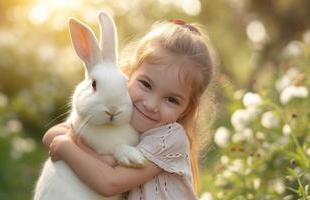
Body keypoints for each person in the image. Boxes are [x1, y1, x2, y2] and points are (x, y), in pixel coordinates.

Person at [42, 19, 217, 199]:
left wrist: (65, 146)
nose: (151, 105)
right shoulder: (120, 111)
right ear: (128, 76)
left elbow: (110, 183)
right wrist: (68, 141)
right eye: (146, 84)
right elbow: (53, 134)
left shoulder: (170, 138)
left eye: (171, 99)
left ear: (187, 109)